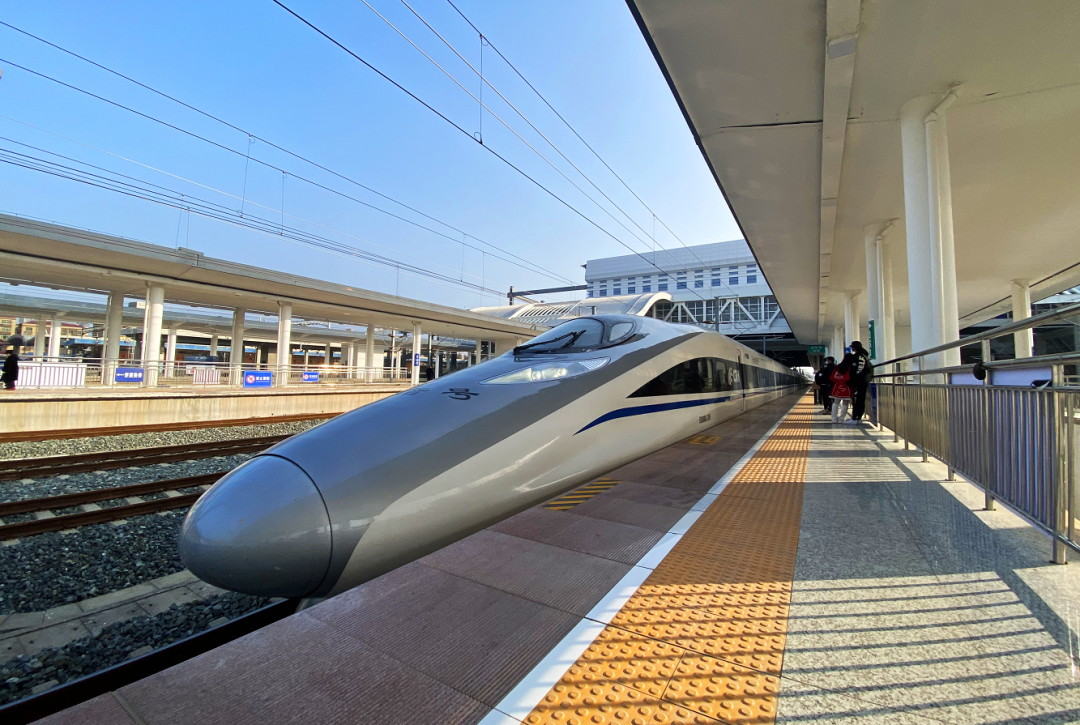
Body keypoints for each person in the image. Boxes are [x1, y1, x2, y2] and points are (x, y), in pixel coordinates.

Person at [847, 341, 873, 425]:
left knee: (857, 400)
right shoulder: (864, 356)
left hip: (859, 381)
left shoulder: (858, 356)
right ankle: (858, 417)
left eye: (852, 347)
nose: (852, 349)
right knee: (860, 399)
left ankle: (855, 417)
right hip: (864, 381)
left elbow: (858, 370)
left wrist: (852, 380)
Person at [829, 353, 854, 424]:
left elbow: (832, 377)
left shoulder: (838, 367)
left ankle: (834, 419)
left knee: (836, 402)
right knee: (845, 403)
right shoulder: (851, 367)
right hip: (847, 386)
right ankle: (841, 419)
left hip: (837, 386)